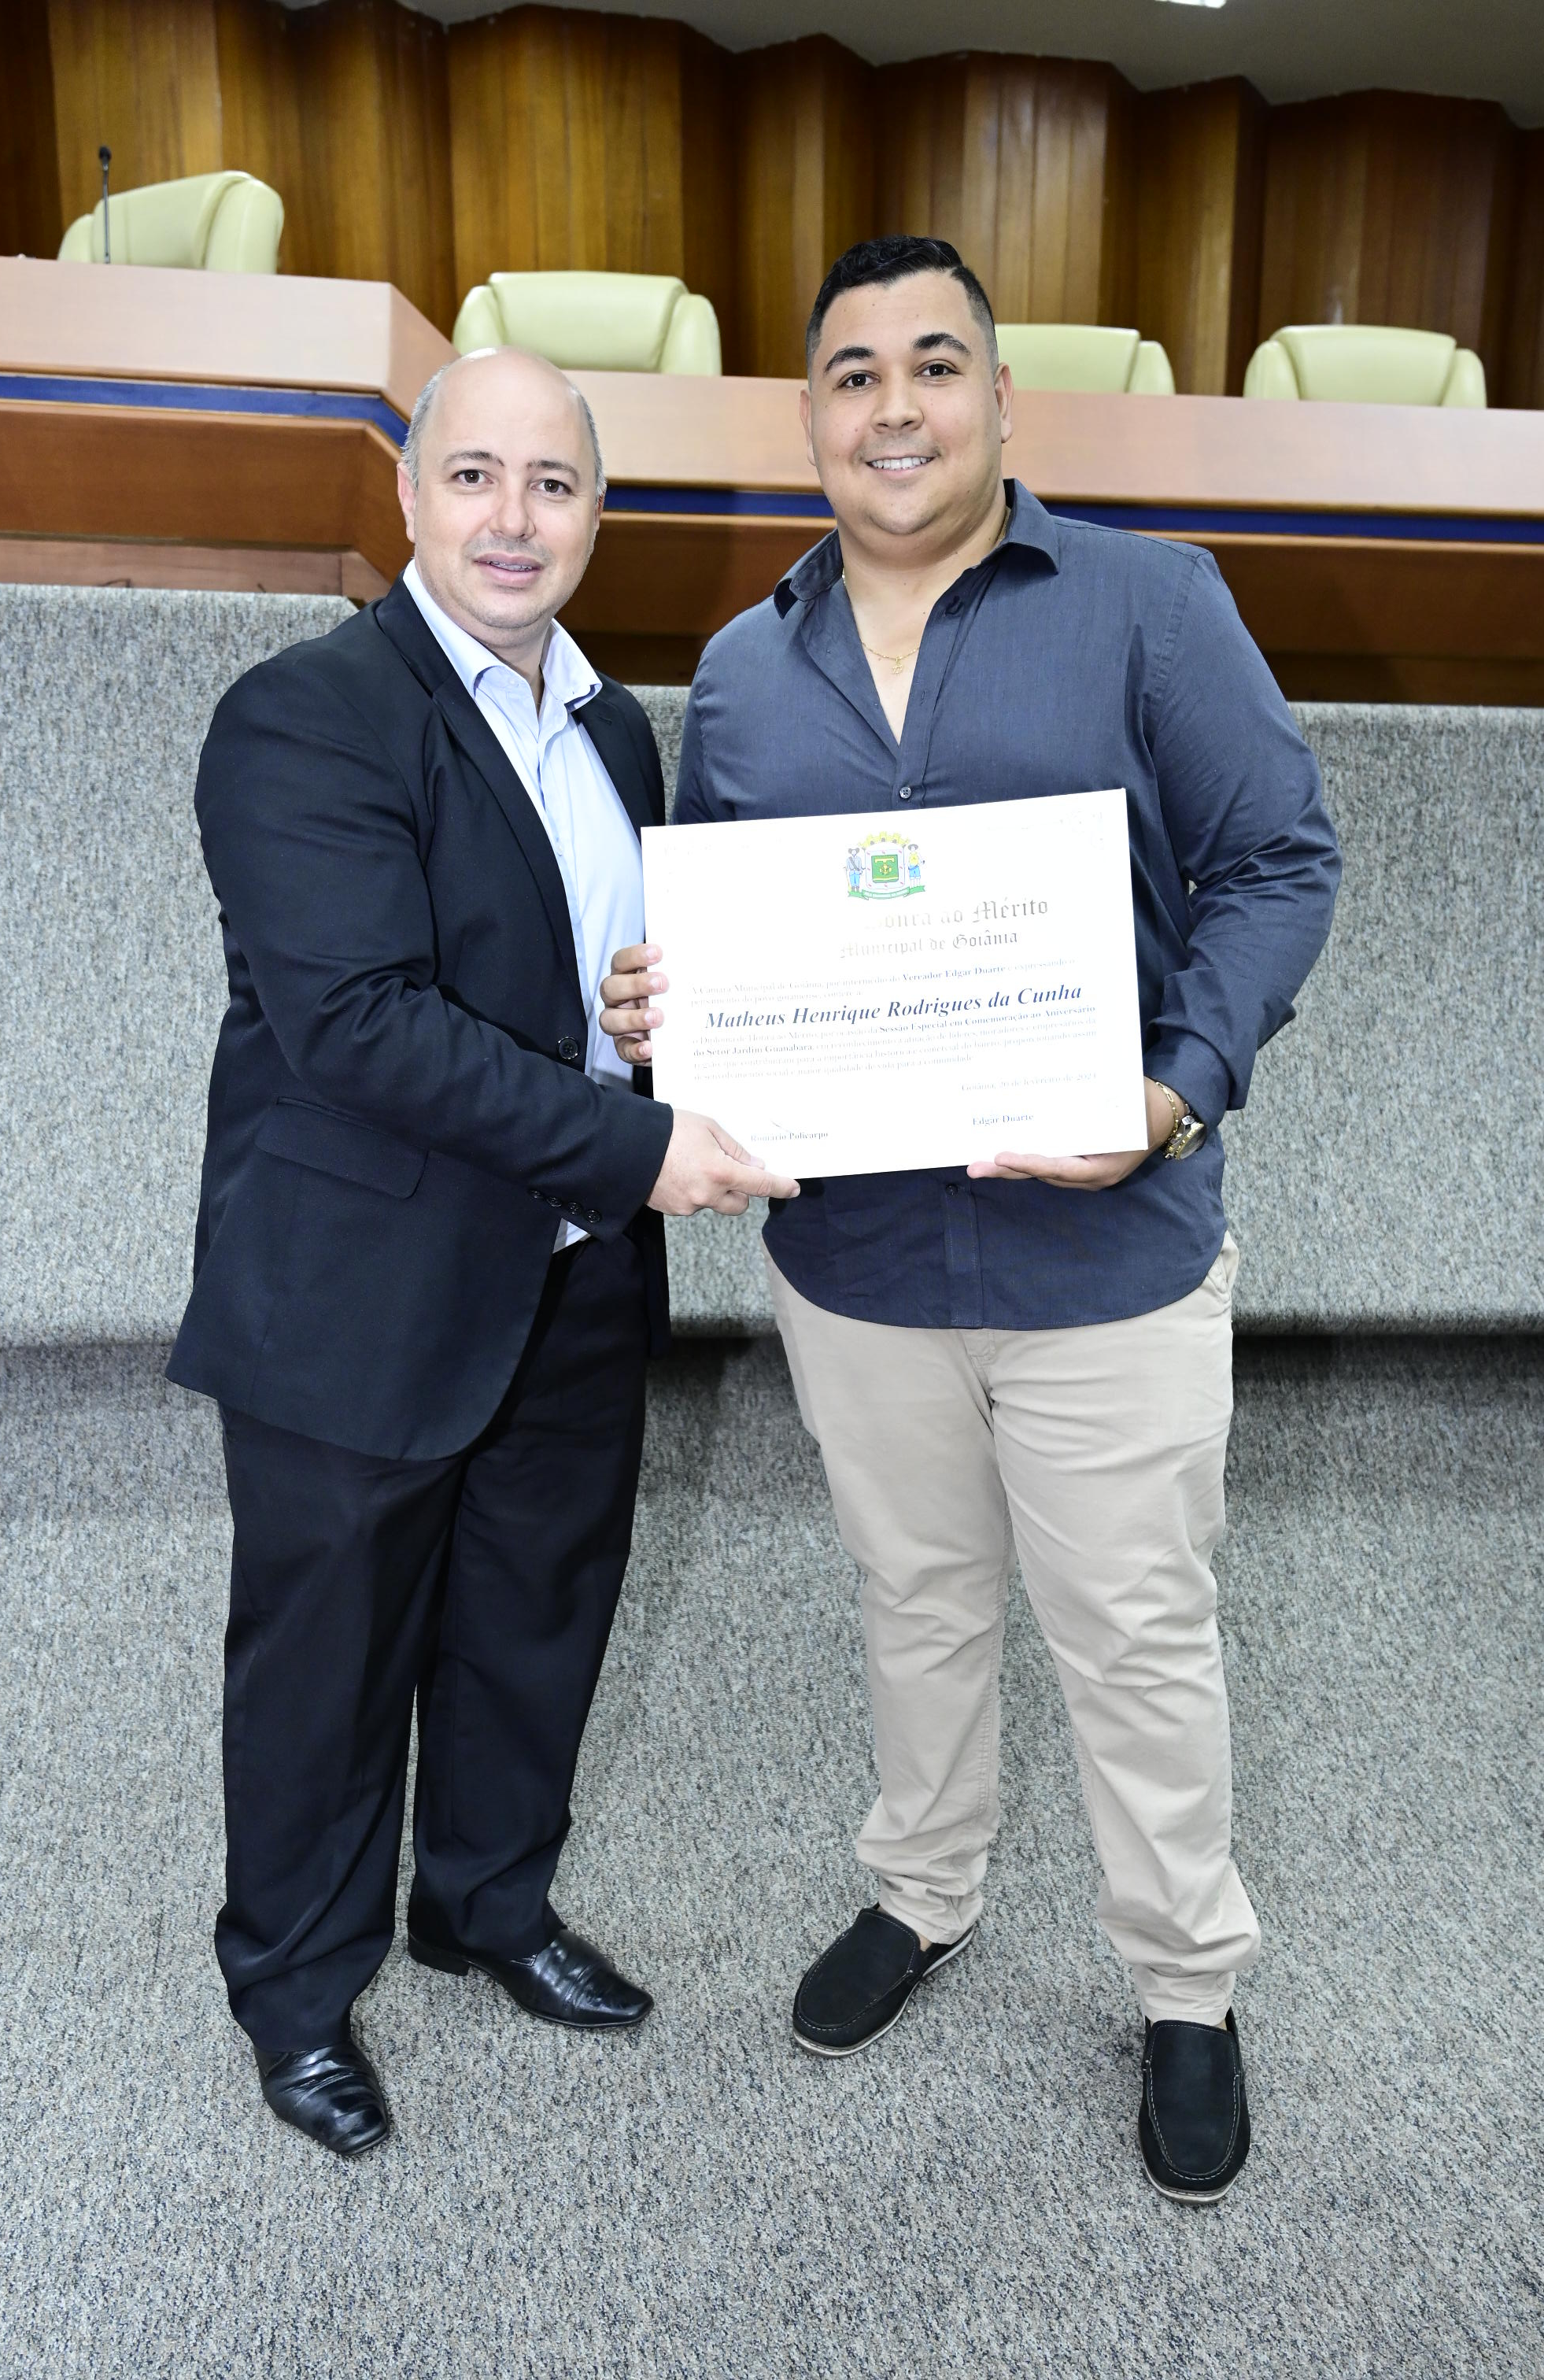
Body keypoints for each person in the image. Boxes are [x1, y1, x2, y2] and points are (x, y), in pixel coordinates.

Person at [600, 237, 1339, 2202]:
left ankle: (1185, 1983)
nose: (896, 405)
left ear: (1004, 401)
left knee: (1137, 1634)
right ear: (812, 419)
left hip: (1108, 1261)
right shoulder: (744, 669)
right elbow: (716, 936)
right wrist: (665, 1010)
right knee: (913, 1598)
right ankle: (923, 1889)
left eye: (936, 365)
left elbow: (1281, 859)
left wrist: (1172, 1088)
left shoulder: (1152, 607)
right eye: (854, 374)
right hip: (856, 1266)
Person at [168, 347, 796, 2159]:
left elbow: (587, 987)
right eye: (474, 477)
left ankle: (487, 1904)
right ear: (408, 494)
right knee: (332, 1661)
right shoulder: (303, 716)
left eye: (554, 483)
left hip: (576, 1269)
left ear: (598, 513)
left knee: (538, 1614)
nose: (513, 519)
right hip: (361, 1291)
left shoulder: (615, 729)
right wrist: (644, 1141)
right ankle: (296, 1993)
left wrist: (662, 1029)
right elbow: (362, 1025)